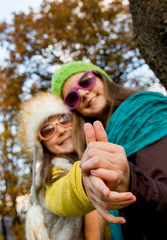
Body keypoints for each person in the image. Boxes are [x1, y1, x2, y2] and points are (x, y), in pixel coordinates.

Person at [51, 61, 167, 240]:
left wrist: (131, 182)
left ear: (100, 77)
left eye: (85, 81)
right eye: (72, 97)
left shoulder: (146, 110)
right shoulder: (98, 144)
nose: (83, 93)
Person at [17, 91, 136, 240]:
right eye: (47, 130)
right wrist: (84, 184)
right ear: (42, 145)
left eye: (63, 119)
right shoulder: (50, 173)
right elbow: (58, 196)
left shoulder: (101, 146)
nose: (60, 130)